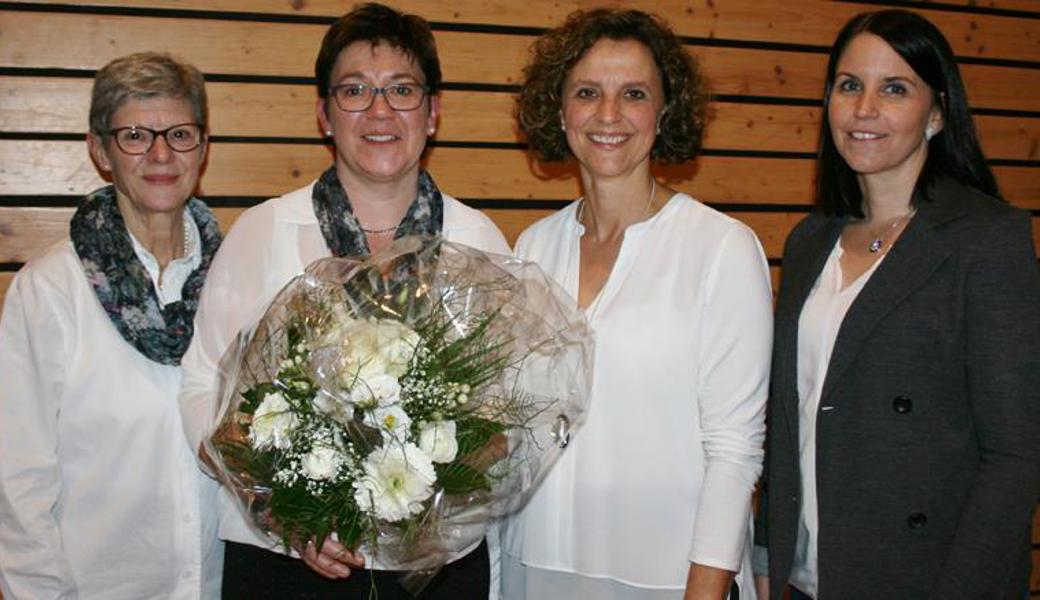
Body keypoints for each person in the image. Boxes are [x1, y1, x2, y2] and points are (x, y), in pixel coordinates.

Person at [178, 3, 510, 599]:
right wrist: (281, 508)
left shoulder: (478, 239)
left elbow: (505, 413)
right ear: (324, 114)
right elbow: (203, 387)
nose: (379, 110)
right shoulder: (265, 232)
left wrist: (437, 487)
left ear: (432, 112)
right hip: (285, 565)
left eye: (401, 90)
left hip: (436, 572)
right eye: (355, 90)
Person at [760, 9, 1040, 599]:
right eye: (848, 85)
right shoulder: (810, 242)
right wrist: (767, 559)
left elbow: (1016, 456)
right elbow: (788, 421)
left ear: (937, 112)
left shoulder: (986, 239)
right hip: (808, 579)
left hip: (924, 579)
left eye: (894, 88)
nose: (864, 108)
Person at [502, 9, 773, 600]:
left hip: (672, 576)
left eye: (633, 94)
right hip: (538, 567)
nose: (608, 115)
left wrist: (705, 588)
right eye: (587, 92)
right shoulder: (532, 248)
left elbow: (734, 449)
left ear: (664, 111)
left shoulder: (721, 248)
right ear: (560, 109)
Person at [0, 52, 223, 598]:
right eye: (134, 136)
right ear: (99, 150)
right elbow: (17, 481)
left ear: (204, 146)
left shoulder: (237, 278)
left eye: (179, 133)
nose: (161, 154)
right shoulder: (51, 290)